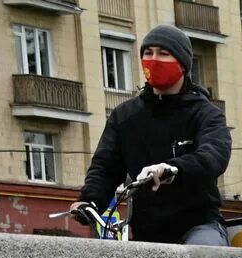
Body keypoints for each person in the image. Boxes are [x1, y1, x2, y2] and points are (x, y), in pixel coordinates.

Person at [73, 25, 231, 245]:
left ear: (183, 64)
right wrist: (89, 201)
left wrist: (174, 169)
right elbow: (105, 167)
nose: (154, 59)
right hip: (146, 232)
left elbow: (214, 155)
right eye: (148, 53)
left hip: (198, 225)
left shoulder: (206, 113)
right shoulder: (125, 116)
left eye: (164, 54)